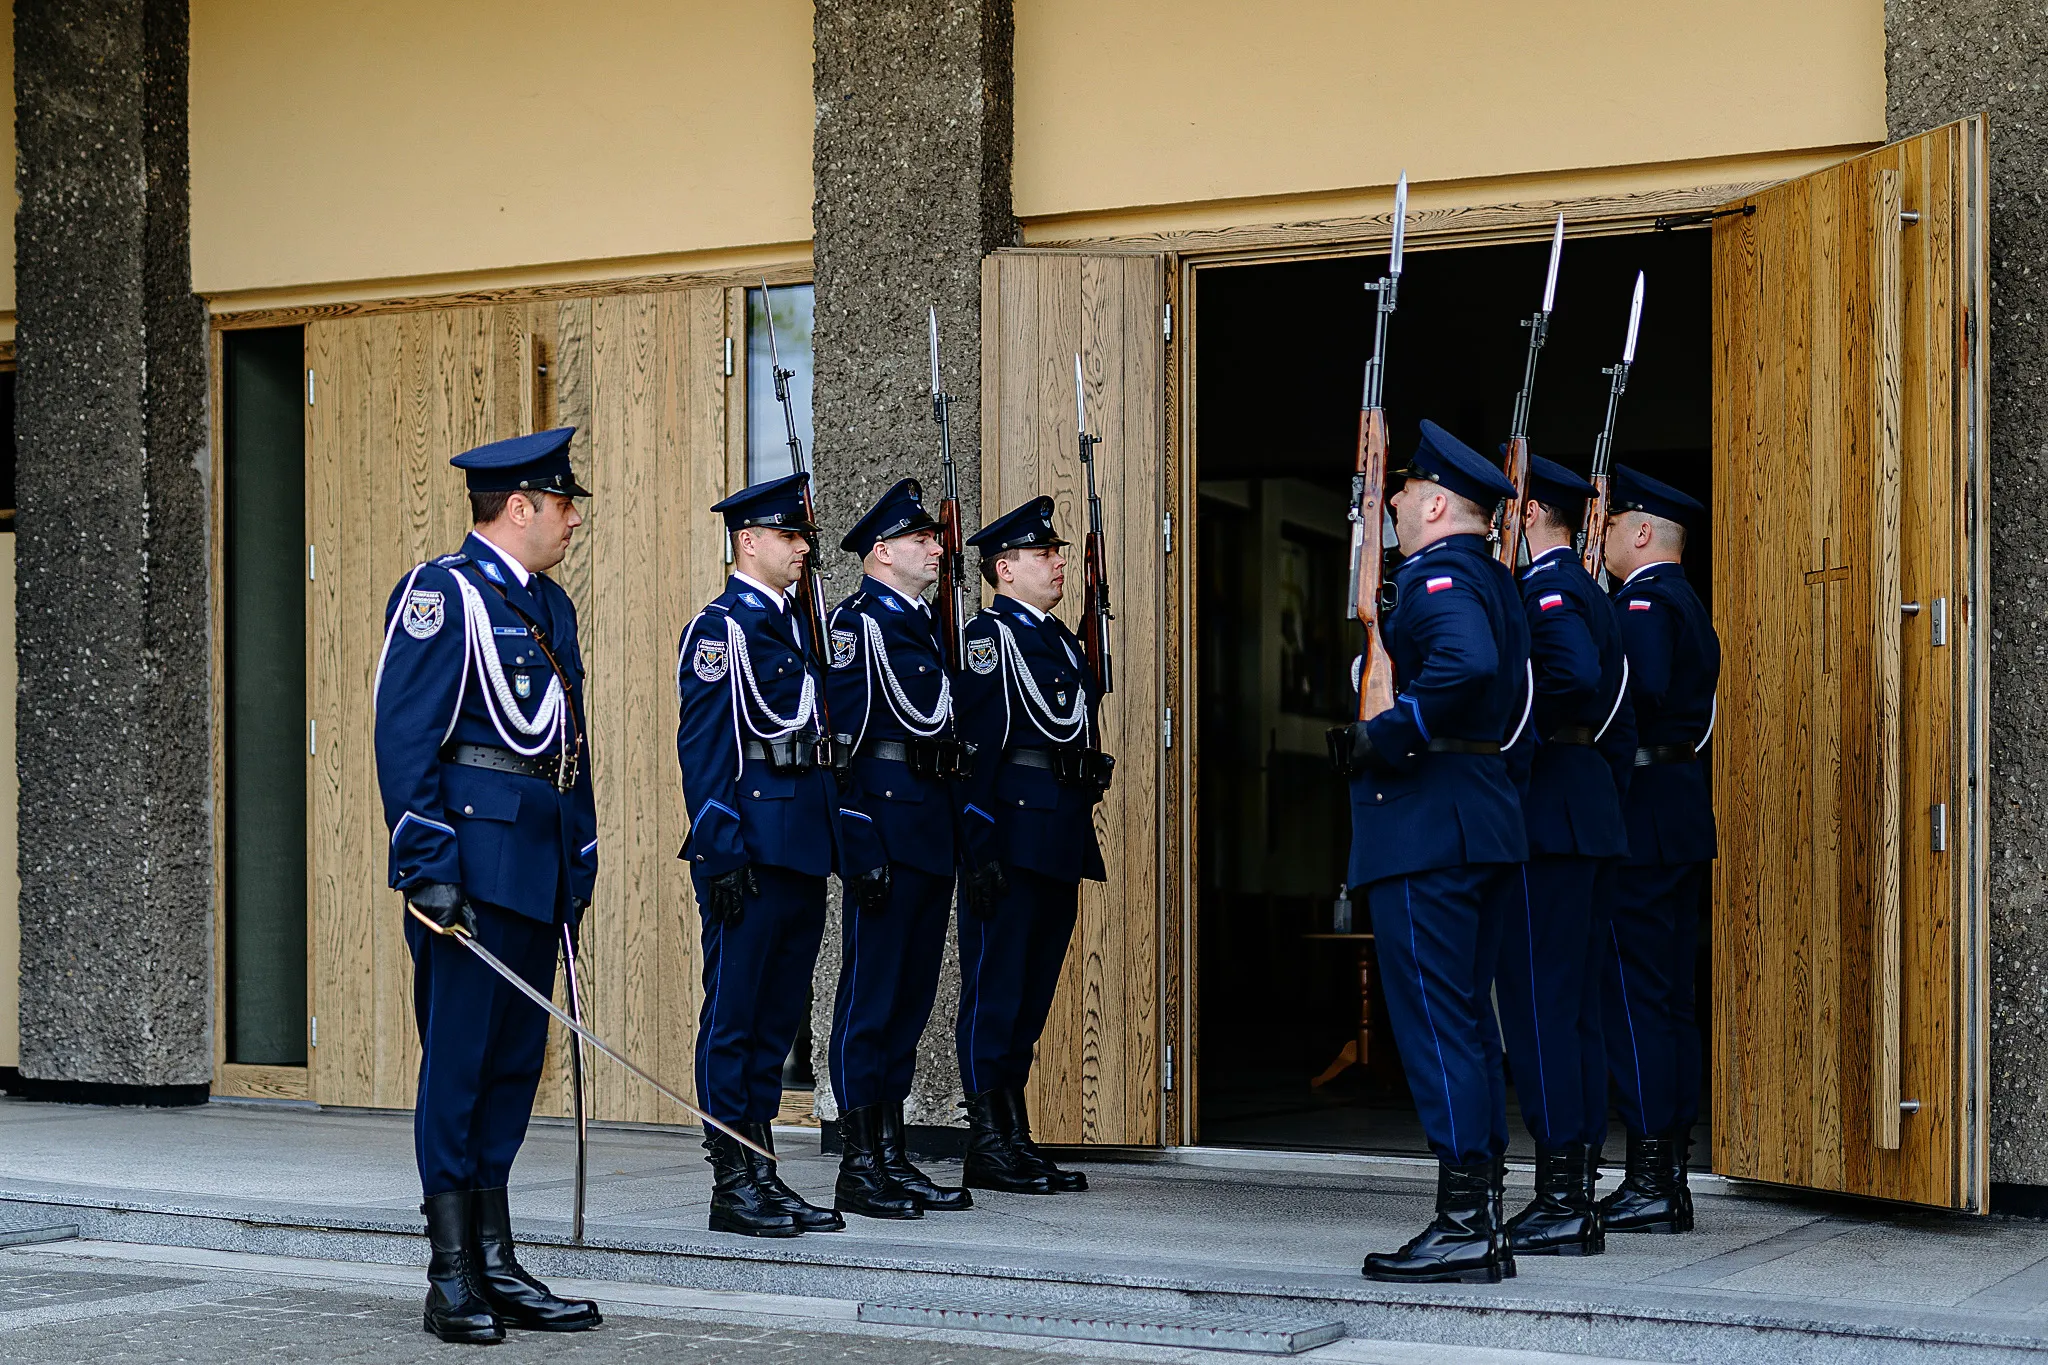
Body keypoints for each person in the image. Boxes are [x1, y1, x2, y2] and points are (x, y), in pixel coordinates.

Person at [374, 426, 603, 1344]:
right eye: (563, 502)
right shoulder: (443, 595)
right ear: (520, 507)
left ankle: (498, 1260)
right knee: (461, 1067)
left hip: (537, 868)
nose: (573, 517)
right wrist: (426, 868)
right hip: (469, 871)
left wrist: (578, 856)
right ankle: (450, 1272)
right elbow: (406, 737)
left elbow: (566, 748)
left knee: (514, 1067)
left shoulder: (552, 607)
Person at [1337, 420, 1529, 1285]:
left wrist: (1393, 734)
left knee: (1438, 1023)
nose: (1394, 506)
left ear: (1439, 502)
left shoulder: (1441, 574)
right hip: (1478, 817)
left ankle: (1463, 1221)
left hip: (1427, 831)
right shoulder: (1493, 576)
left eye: (1405, 493)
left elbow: (1467, 663)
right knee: (1469, 1025)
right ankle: (1479, 1211)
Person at [675, 473, 848, 1238]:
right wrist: (720, 852)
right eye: (790, 535)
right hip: (747, 848)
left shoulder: (792, 627)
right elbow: (705, 752)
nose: (803, 547)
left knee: (777, 1023)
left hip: (800, 846)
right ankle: (732, 1179)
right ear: (749, 542)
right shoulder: (722, 630)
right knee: (736, 1018)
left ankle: (763, 1167)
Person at [822, 478, 977, 1219]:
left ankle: (891, 1151)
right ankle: (859, 1160)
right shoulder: (857, 628)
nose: (936, 547)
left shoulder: (924, 627)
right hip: (884, 829)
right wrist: (858, 841)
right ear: (881, 551)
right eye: (920, 539)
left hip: (928, 831)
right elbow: (843, 748)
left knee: (910, 998)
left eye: (934, 537)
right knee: (871, 999)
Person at [951, 496, 1110, 1195]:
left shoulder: (1059, 640)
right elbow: (977, 753)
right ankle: (988, 1138)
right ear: (1004, 568)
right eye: (1044, 554)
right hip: (1011, 839)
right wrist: (978, 845)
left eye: (1059, 553)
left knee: (1033, 991)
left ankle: (1014, 1133)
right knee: (997, 989)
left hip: (1057, 835)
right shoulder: (990, 640)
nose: (1059, 562)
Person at [1496, 456, 1630, 1258]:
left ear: (1534, 510)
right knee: (1573, 1009)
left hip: (1550, 817)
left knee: (1543, 1010)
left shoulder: (1549, 587)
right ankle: (1575, 1184)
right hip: (1589, 812)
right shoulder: (1591, 590)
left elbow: (1575, 677)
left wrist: (1523, 719)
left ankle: (1558, 1195)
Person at [1597, 465, 1719, 1234]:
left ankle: (1650, 1176)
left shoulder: (1644, 599)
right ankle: (1667, 1169)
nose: (1602, 535)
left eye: (1611, 524)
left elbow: (1630, 697)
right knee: (1668, 1000)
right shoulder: (1686, 601)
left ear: (1642, 531)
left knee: (1638, 1001)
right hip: (1673, 813)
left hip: (1641, 816)